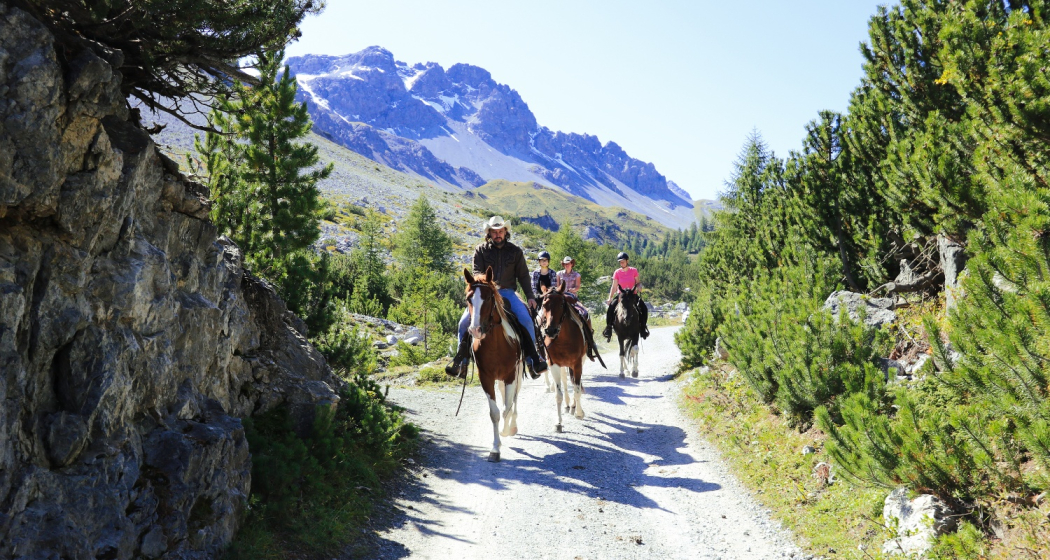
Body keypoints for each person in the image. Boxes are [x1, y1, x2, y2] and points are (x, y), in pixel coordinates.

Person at [445, 216, 549, 378]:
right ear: (489, 233)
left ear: (505, 232)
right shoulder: (481, 250)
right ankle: (461, 361)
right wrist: (486, 287)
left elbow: (523, 276)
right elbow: (477, 273)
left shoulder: (515, 251)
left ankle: (533, 358)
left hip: (508, 292)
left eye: (500, 231)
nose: (497, 234)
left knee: (526, 319)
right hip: (485, 293)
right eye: (494, 232)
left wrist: (530, 296)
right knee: (463, 322)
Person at [555, 256, 601, 361]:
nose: (567, 265)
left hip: (573, 298)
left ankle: (589, 340)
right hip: (562, 298)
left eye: (569, 263)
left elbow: (578, 286)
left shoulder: (577, 275)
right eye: (565, 263)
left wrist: (572, 290)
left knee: (585, 313)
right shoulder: (559, 274)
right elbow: (557, 287)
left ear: (572, 264)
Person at [603, 251, 649, 340]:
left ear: (627, 261)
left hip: (632, 296)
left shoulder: (634, 270)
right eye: (620, 261)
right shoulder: (617, 272)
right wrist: (610, 298)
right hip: (621, 296)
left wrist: (639, 287)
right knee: (611, 308)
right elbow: (614, 286)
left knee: (644, 308)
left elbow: (638, 282)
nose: (621, 263)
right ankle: (609, 328)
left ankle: (643, 328)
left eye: (623, 261)